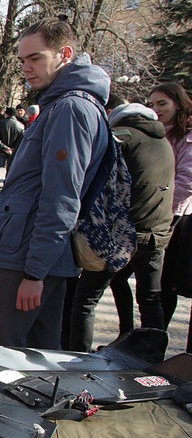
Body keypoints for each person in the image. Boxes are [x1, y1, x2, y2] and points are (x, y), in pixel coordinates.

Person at [0, 17, 111, 349]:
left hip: (31, 258)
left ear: (64, 54)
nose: (27, 67)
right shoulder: (65, 104)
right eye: (23, 61)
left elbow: (62, 199)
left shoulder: (70, 108)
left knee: (3, 356)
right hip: (34, 255)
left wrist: (35, 273)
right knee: (35, 355)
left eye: (36, 58)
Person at [68, 98, 173, 352]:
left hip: (123, 235)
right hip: (156, 232)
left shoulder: (123, 136)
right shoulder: (161, 140)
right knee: (149, 299)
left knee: (85, 299)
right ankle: (151, 356)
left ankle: (77, 355)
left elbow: (93, 174)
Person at [149, 82, 192, 351]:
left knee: (164, 286)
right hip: (153, 216)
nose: (156, 109)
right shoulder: (158, 133)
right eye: (152, 104)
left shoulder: (187, 135)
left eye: (162, 103)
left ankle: (155, 342)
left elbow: (187, 181)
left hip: (175, 218)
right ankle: (142, 339)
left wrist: (161, 205)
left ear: (178, 103)